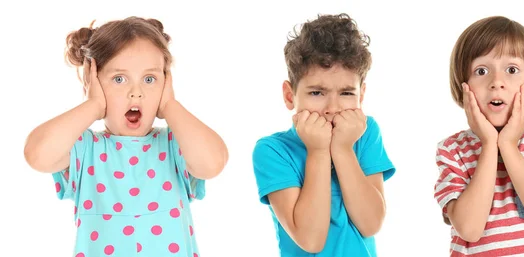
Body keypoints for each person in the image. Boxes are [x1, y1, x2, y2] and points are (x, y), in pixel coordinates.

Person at [23, 16, 228, 257]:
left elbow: (213, 163)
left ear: (166, 83)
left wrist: (171, 105)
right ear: (92, 82)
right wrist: (94, 104)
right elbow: (37, 154)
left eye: (150, 79)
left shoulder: (175, 144)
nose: (136, 93)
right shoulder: (85, 149)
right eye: (119, 79)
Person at [252, 13, 396, 257]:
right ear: (290, 96)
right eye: (317, 93)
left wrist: (342, 149)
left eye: (347, 93)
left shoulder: (365, 132)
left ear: (361, 95)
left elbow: (371, 224)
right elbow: (311, 240)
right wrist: (318, 151)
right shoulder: (272, 150)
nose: (333, 107)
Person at [433, 16, 524, 256]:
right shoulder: (452, 150)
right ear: (463, 85)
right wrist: (490, 144)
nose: (496, 82)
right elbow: (469, 229)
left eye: (511, 70)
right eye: (481, 70)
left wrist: (508, 145)